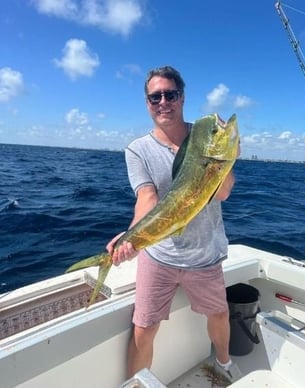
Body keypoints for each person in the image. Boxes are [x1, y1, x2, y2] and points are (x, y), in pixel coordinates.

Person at [107, 65, 241, 384]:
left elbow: (222, 192)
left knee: (220, 314)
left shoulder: (203, 138)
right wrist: (132, 236)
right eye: (156, 97)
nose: (163, 102)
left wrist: (227, 157)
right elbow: (147, 199)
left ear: (182, 98)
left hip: (204, 254)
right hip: (160, 256)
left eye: (171, 94)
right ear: (147, 102)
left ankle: (224, 363)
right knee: (144, 326)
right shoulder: (137, 150)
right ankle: (136, 385)